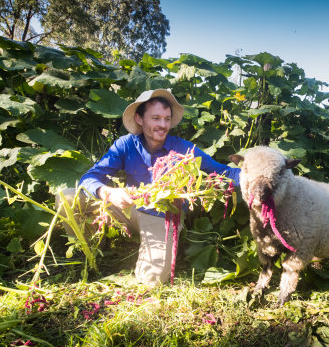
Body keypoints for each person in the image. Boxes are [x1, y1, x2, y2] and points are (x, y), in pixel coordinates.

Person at [61, 89, 240, 285]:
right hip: (127, 207)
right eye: (155, 118)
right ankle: (91, 251)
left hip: (161, 216)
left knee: (153, 280)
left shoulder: (184, 150)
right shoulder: (125, 145)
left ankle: (151, 257)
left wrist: (258, 173)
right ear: (139, 119)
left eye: (166, 119)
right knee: (68, 197)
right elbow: (89, 178)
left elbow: (224, 172)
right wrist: (108, 192)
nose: (163, 125)